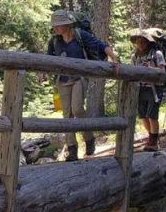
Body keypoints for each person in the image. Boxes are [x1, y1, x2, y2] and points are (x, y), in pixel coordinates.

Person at [45, 10, 118, 161]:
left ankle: (89, 138)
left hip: (79, 77)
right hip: (62, 79)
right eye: (54, 26)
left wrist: (114, 59)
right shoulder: (54, 41)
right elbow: (48, 58)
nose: (56, 28)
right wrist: (41, 72)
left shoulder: (80, 35)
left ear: (67, 24)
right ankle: (72, 149)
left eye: (58, 25)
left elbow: (100, 44)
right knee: (67, 114)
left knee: (77, 109)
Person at [130, 29, 166, 151]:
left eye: (143, 41)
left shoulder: (157, 54)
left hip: (154, 88)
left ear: (148, 42)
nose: (140, 44)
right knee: (143, 116)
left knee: (152, 115)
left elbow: (162, 72)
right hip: (140, 89)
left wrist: (150, 68)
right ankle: (152, 138)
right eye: (138, 42)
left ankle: (153, 142)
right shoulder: (134, 57)